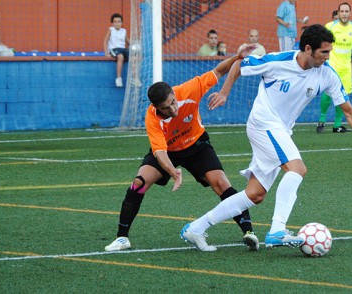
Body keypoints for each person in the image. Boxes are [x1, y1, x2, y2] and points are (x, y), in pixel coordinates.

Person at [180, 24, 352, 252]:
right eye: (324, 52)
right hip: (263, 123)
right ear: (308, 49)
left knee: (255, 194)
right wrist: (224, 92)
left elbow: (348, 110)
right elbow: (240, 65)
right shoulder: (277, 61)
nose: (328, 57)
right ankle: (277, 230)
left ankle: (196, 228)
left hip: (280, 130)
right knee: (297, 169)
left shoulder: (327, 74)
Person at [105, 43, 259, 252]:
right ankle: (122, 238)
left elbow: (219, 71)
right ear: (156, 108)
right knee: (138, 183)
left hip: (196, 144)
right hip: (168, 151)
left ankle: (249, 232)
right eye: (166, 108)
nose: (173, 109)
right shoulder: (152, 118)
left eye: (173, 102)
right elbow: (159, 152)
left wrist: (236, 56)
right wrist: (173, 172)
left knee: (221, 183)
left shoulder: (189, 90)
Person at [316, 2, 352, 133]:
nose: (344, 14)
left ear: (350, 13)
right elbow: (322, 45)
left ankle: (337, 125)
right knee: (327, 94)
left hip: (346, 69)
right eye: (342, 11)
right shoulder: (330, 26)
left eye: (346, 11)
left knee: (342, 97)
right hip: (331, 67)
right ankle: (322, 120)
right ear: (338, 13)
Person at [104, 13, 141, 88]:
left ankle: (135, 78)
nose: (117, 23)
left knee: (133, 57)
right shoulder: (111, 30)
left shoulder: (124, 31)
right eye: (115, 21)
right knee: (120, 57)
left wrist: (136, 42)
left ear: (121, 22)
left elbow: (128, 41)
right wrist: (106, 52)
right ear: (112, 23)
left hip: (123, 49)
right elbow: (105, 41)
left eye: (119, 21)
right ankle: (118, 78)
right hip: (114, 49)